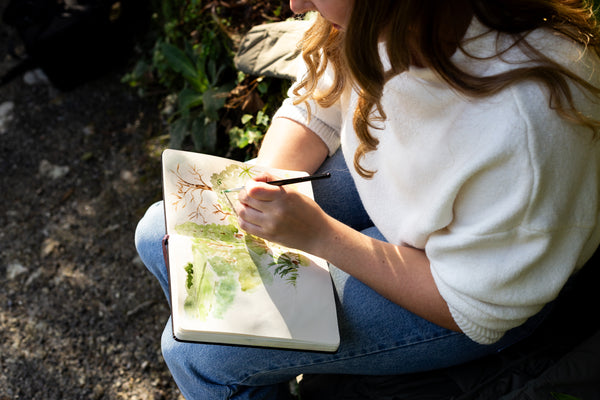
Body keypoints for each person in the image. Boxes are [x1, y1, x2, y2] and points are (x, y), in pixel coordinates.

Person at [135, 0, 600, 398]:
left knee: (198, 356)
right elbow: (318, 95)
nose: (295, 5)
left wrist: (320, 236)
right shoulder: (391, 21)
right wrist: (263, 180)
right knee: (162, 228)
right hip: (412, 222)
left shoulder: (523, 124)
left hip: (471, 290)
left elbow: (474, 305)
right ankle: (267, 361)